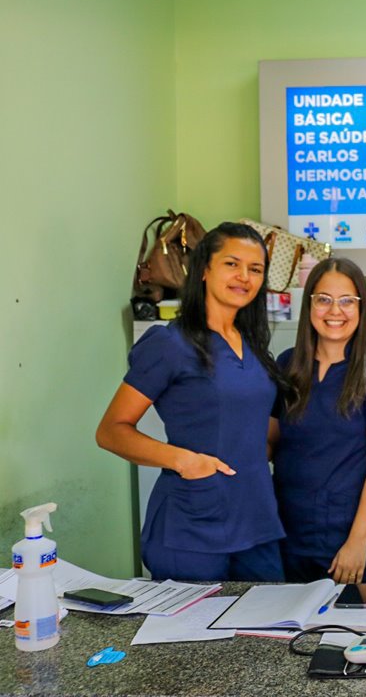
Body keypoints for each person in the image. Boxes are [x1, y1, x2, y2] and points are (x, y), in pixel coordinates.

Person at [96, 223, 292, 581]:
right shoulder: (170, 344)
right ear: (205, 269)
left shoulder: (252, 345)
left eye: (255, 269)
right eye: (232, 264)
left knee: (266, 634)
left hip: (255, 518)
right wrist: (182, 460)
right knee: (191, 637)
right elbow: (111, 431)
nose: (244, 277)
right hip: (192, 523)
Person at [269, 258, 366, 585]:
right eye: (324, 300)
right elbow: (269, 444)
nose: (335, 311)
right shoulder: (288, 365)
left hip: (350, 543)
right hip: (288, 538)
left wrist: (358, 541)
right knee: (287, 634)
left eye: (347, 301)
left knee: (348, 636)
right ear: (310, 304)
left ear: (362, 307)